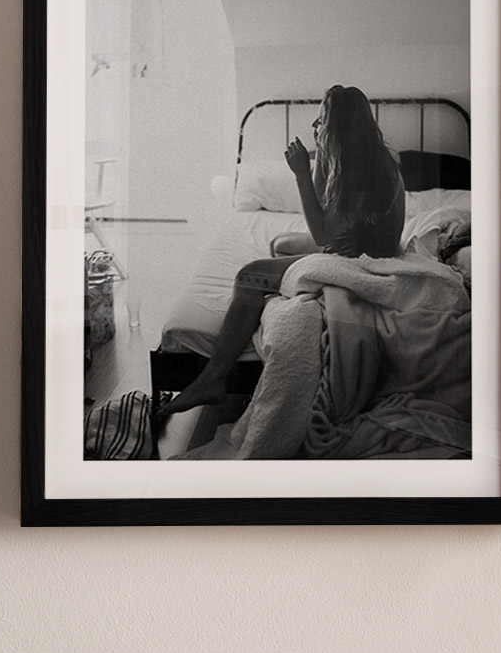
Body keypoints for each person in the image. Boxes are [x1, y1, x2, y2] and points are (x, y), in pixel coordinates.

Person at [157, 85, 405, 418]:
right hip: (349, 246)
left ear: (339, 127)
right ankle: (280, 288)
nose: (315, 126)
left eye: (322, 120)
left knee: (249, 276)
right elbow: (322, 208)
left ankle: (213, 378)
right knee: (280, 244)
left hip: (357, 264)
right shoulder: (359, 157)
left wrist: (301, 172)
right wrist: (320, 157)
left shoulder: (364, 174)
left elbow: (319, 231)